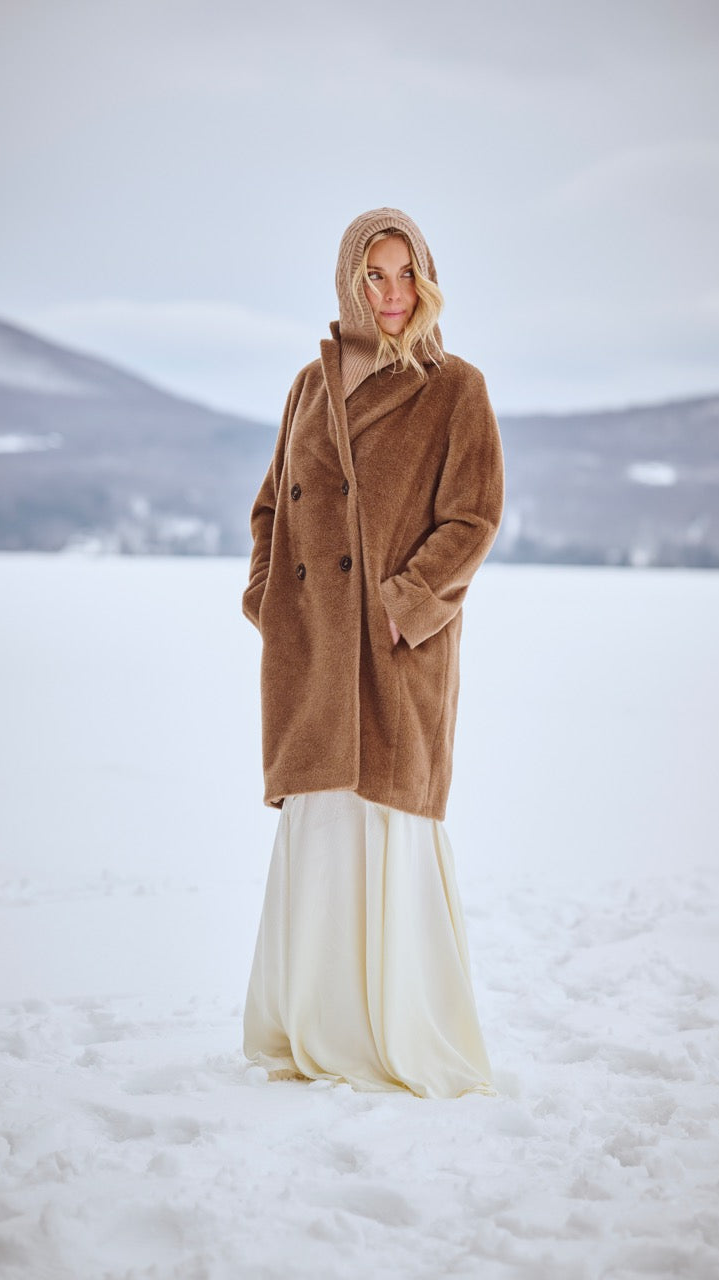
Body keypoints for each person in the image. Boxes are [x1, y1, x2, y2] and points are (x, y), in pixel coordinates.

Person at [241, 207, 505, 1099]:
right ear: (349, 282)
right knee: (321, 822)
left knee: (387, 821)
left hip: (394, 651)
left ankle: (391, 1033)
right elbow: (271, 505)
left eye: (404, 274)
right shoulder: (308, 386)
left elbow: (472, 517)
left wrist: (404, 607)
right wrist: (268, 599)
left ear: (425, 281)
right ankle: (312, 1028)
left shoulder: (454, 386)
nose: (391, 293)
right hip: (313, 647)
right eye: (373, 275)